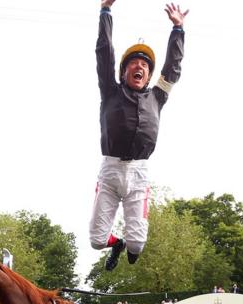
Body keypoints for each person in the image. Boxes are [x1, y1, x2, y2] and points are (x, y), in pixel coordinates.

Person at [90, 0, 188, 271]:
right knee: (97, 241)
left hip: (139, 173)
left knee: (138, 245)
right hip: (110, 171)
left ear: (148, 75)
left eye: (144, 65)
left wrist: (178, 30)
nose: (139, 67)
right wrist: (105, 11)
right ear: (124, 72)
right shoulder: (110, 89)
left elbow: (173, 69)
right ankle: (116, 243)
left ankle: (129, 246)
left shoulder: (157, 96)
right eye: (133, 62)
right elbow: (104, 53)